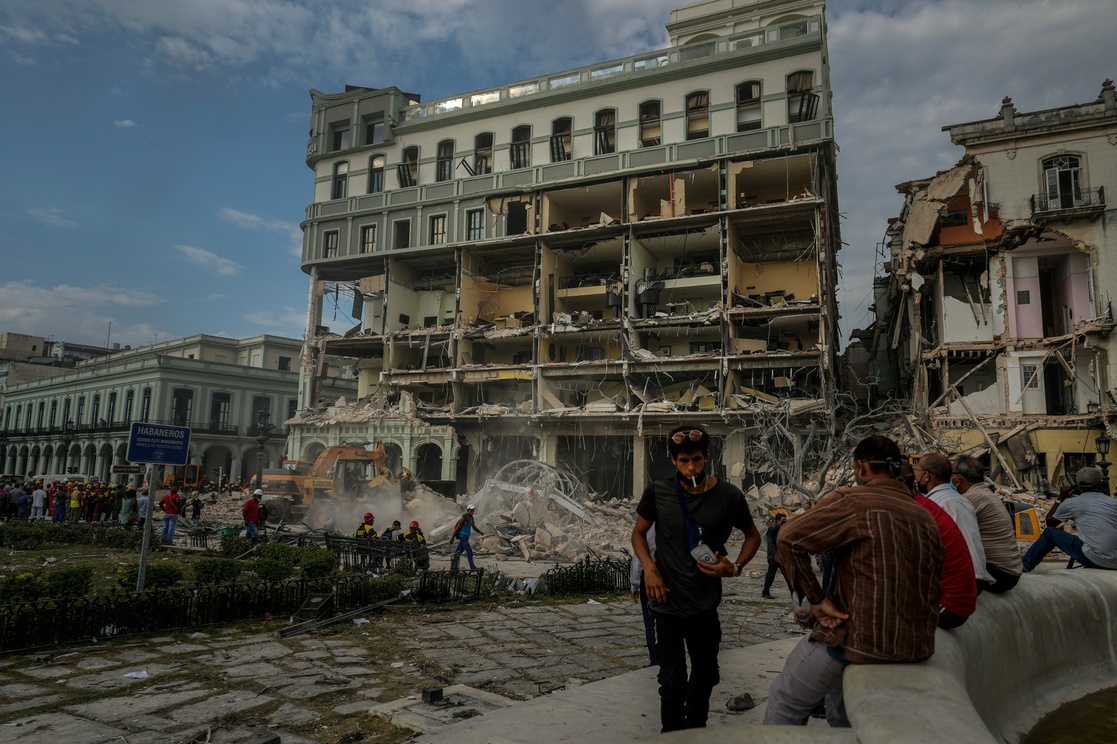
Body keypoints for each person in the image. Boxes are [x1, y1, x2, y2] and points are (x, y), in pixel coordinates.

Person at [763, 435, 943, 728]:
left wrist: (818, 600)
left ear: (861, 468)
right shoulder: (925, 517)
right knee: (843, 716)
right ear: (898, 469)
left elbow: (789, 538)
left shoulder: (854, 501)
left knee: (786, 699)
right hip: (914, 645)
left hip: (859, 640)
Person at [632, 425, 761, 733]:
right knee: (672, 680)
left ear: (707, 458)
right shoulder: (658, 492)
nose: (691, 468)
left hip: (705, 605)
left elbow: (752, 536)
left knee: (706, 674)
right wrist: (649, 568)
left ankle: (696, 728)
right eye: (684, 461)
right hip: (666, 603)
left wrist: (735, 567)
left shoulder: (729, 496)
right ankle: (673, 733)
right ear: (673, 460)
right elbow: (638, 533)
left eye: (697, 461)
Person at [915, 453, 993, 586]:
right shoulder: (963, 500)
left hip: (961, 581)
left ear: (927, 476)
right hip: (977, 577)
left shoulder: (935, 505)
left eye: (917, 469)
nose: (915, 475)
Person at [1022, 467, 1117, 571]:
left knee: (1050, 532)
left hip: (1096, 559)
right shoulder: (1113, 502)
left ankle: (1025, 565)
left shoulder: (1072, 503)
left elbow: (1050, 522)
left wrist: (1060, 498)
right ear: (1100, 484)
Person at [952, 457, 1023, 592]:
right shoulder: (984, 493)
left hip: (998, 574)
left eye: (951, 475)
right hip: (1010, 572)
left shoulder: (970, 499)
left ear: (959, 478)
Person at [629, 523, 658, 666]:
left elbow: (638, 560)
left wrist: (634, 584)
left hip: (649, 580)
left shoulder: (647, 529)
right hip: (673, 579)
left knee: (650, 622)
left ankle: (654, 659)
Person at [762, 513, 793, 600]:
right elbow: (770, 543)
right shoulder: (773, 529)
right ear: (777, 520)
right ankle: (765, 592)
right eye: (783, 520)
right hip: (774, 556)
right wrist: (776, 554)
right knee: (771, 575)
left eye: (785, 519)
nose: (785, 521)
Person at [451, 505, 485, 572]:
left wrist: (480, 532)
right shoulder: (464, 518)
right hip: (462, 537)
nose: (472, 512)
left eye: (473, 511)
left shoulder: (471, 518)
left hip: (466, 537)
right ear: (468, 510)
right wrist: (452, 538)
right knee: (469, 552)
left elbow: (474, 527)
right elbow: (457, 528)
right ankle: (472, 567)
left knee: (457, 553)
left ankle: (453, 567)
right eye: (471, 510)